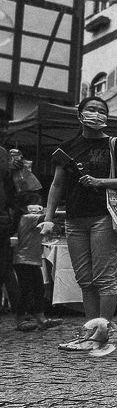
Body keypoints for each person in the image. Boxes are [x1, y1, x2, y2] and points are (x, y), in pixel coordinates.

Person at [40, 96, 117, 351]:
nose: (96, 114)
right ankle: (90, 333)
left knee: (104, 277)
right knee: (85, 279)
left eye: (101, 110)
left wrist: (100, 182)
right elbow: (57, 185)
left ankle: (101, 334)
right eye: (91, 109)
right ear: (80, 114)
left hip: (104, 216)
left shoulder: (114, 144)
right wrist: (49, 219)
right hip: (74, 219)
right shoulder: (67, 148)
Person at [13, 198, 62, 332]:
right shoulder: (28, 218)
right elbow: (50, 216)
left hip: (29, 260)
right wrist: (59, 210)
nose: (39, 207)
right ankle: (20, 320)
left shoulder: (23, 217)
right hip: (24, 260)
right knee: (26, 290)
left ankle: (41, 319)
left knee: (38, 289)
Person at [0, 115, 26, 328]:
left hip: (1, 220)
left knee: (6, 267)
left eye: (5, 127)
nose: (4, 131)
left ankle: (20, 316)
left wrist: (13, 215)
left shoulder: (3, 154)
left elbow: (10, 189)